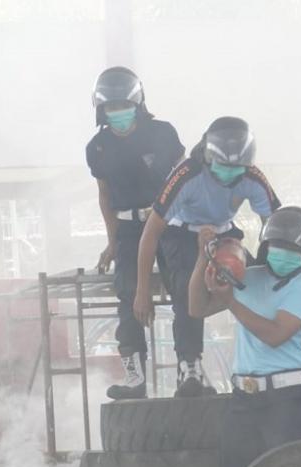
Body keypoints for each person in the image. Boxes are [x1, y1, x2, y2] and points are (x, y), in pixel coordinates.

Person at [134, 116, 281, 397]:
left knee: (260, 281)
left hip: (225, 234)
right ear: (206, 156)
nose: (230, 174)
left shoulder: (253, 177)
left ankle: (261, 358)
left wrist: (272, 269)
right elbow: (150, 234)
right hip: (181, 234)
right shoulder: (186, 175)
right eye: (223, 166)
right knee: (188, 288)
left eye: (237, 168)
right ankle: (189, 365)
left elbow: (273, 225)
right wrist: (142, 291)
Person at [188, 206, 301, 467]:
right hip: (244, 399)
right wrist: (204, 257)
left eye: (290, 247)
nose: (282, 252)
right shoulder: (248, 276)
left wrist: (231, 302)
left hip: (286, 400)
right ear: (265, 246)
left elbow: (275, 335)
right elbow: (197, 307)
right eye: (277, 245)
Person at [85, 67, 185, 400]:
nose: (118, 114)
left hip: (170, 223)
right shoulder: (97, 147)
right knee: (128, 293)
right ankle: (135, 375)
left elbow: (185, 179)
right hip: (128, 226)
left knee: (184, 288)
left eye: (123, 106)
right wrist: (113, 240)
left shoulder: (163, 134)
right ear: (102, 111)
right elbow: (104, 195)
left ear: (138, 104)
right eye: (111, 108)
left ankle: (190, 368)